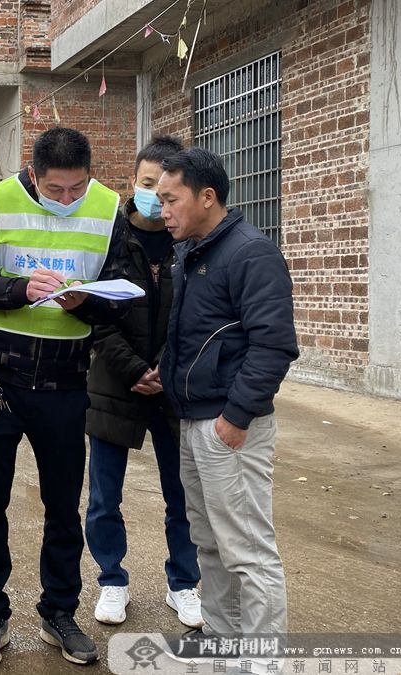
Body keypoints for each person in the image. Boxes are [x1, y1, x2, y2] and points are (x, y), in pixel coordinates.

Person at [0, 127, 125, 669]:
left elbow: (121, 287)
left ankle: (59, 611)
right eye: (56, 190)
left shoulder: (107, 208)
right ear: (34, 176)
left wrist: (85, 302)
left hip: (64, 383)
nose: (68, 200)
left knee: (62, 507)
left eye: (76, 188)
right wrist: (16, 289)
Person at [157, 148, 298, 641]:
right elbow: (199, 334)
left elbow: (274, 344)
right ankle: (220, 636)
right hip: (195, 419)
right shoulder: (190, 253)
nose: (163, 211)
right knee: (209, 541)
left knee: (247, 549)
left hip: (230, 425)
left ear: (207, 197)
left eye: (171, 199)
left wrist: (236, 417)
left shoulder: (249, 252)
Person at [85, 136, 203, 628]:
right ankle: (112, 581)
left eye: (165, 186)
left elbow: (199, 317)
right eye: (147, 182)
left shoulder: (193, 242)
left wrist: (164, 367)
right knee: (103, 496)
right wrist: (135, 369)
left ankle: (184, 583)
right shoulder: (106, 238)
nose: (156, 194)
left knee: (184, 495)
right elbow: (94, 315)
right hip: (115, 383)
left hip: (175, 388)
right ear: (133, 182)